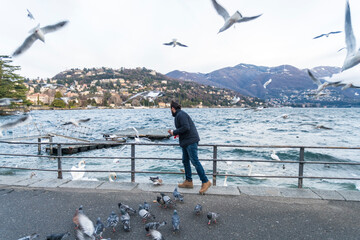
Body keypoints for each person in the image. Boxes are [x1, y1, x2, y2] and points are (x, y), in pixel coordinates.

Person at [168, 100, 211, 194]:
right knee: (185, 161)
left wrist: (174, 132)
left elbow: (186, 127)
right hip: (186, 141)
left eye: (170, 109)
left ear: (172, 109)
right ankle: (188, 181)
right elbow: (185, 129)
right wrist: (177, 133)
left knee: (194, 161)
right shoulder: (180, 115)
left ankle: (205, 181)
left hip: (190, 141)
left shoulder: (181, 115)